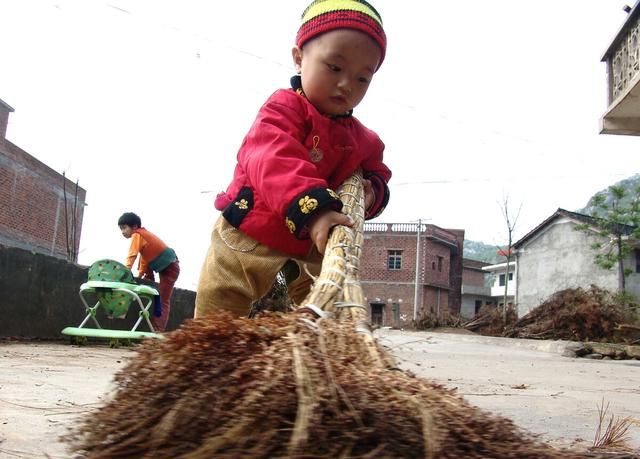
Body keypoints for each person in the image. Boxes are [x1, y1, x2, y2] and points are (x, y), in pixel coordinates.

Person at [195, 0, 391, 318]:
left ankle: (317, 355)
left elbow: (377, 170)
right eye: (335, 68)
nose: (346, 84)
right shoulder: (283, 109)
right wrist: (315, 211)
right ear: (299, 59)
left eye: (362, 79)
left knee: (323, 312)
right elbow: (273, 158)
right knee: (221, 304)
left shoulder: (360, 138)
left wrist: (371, 193)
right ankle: (208, 358)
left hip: (309, 250)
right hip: (250, 233)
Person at [118, 212, 180, 332]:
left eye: (124, 228)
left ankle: (158, 329)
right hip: (166, 266)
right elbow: (145, 259)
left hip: (170, 267)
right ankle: (153, 325)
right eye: (121, 229)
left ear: (134, 226)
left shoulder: (138, 234)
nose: (123, 232)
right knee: (152, 290)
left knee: (163, 299)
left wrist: (126, 271)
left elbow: (132, 255)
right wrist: (141, 275)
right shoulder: (143, 236)